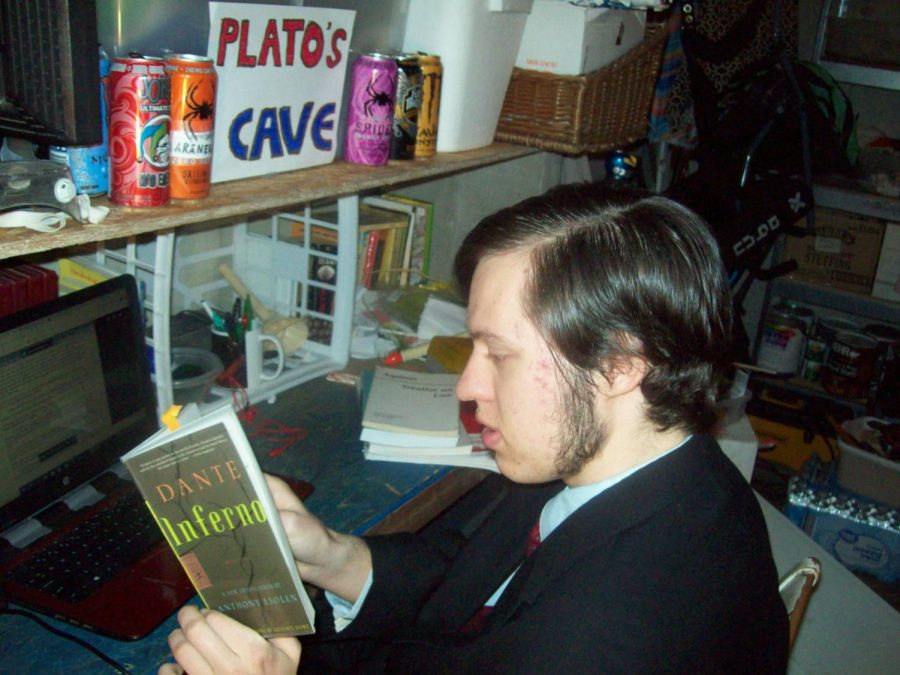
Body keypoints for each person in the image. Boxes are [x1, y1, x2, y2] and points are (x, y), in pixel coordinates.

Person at [160, 184, 788, 675]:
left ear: (620, 365)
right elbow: (474, 570)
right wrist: (333, 555)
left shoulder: (602, 643)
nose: (467, 386)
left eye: (499, 353)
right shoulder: (645, 466)